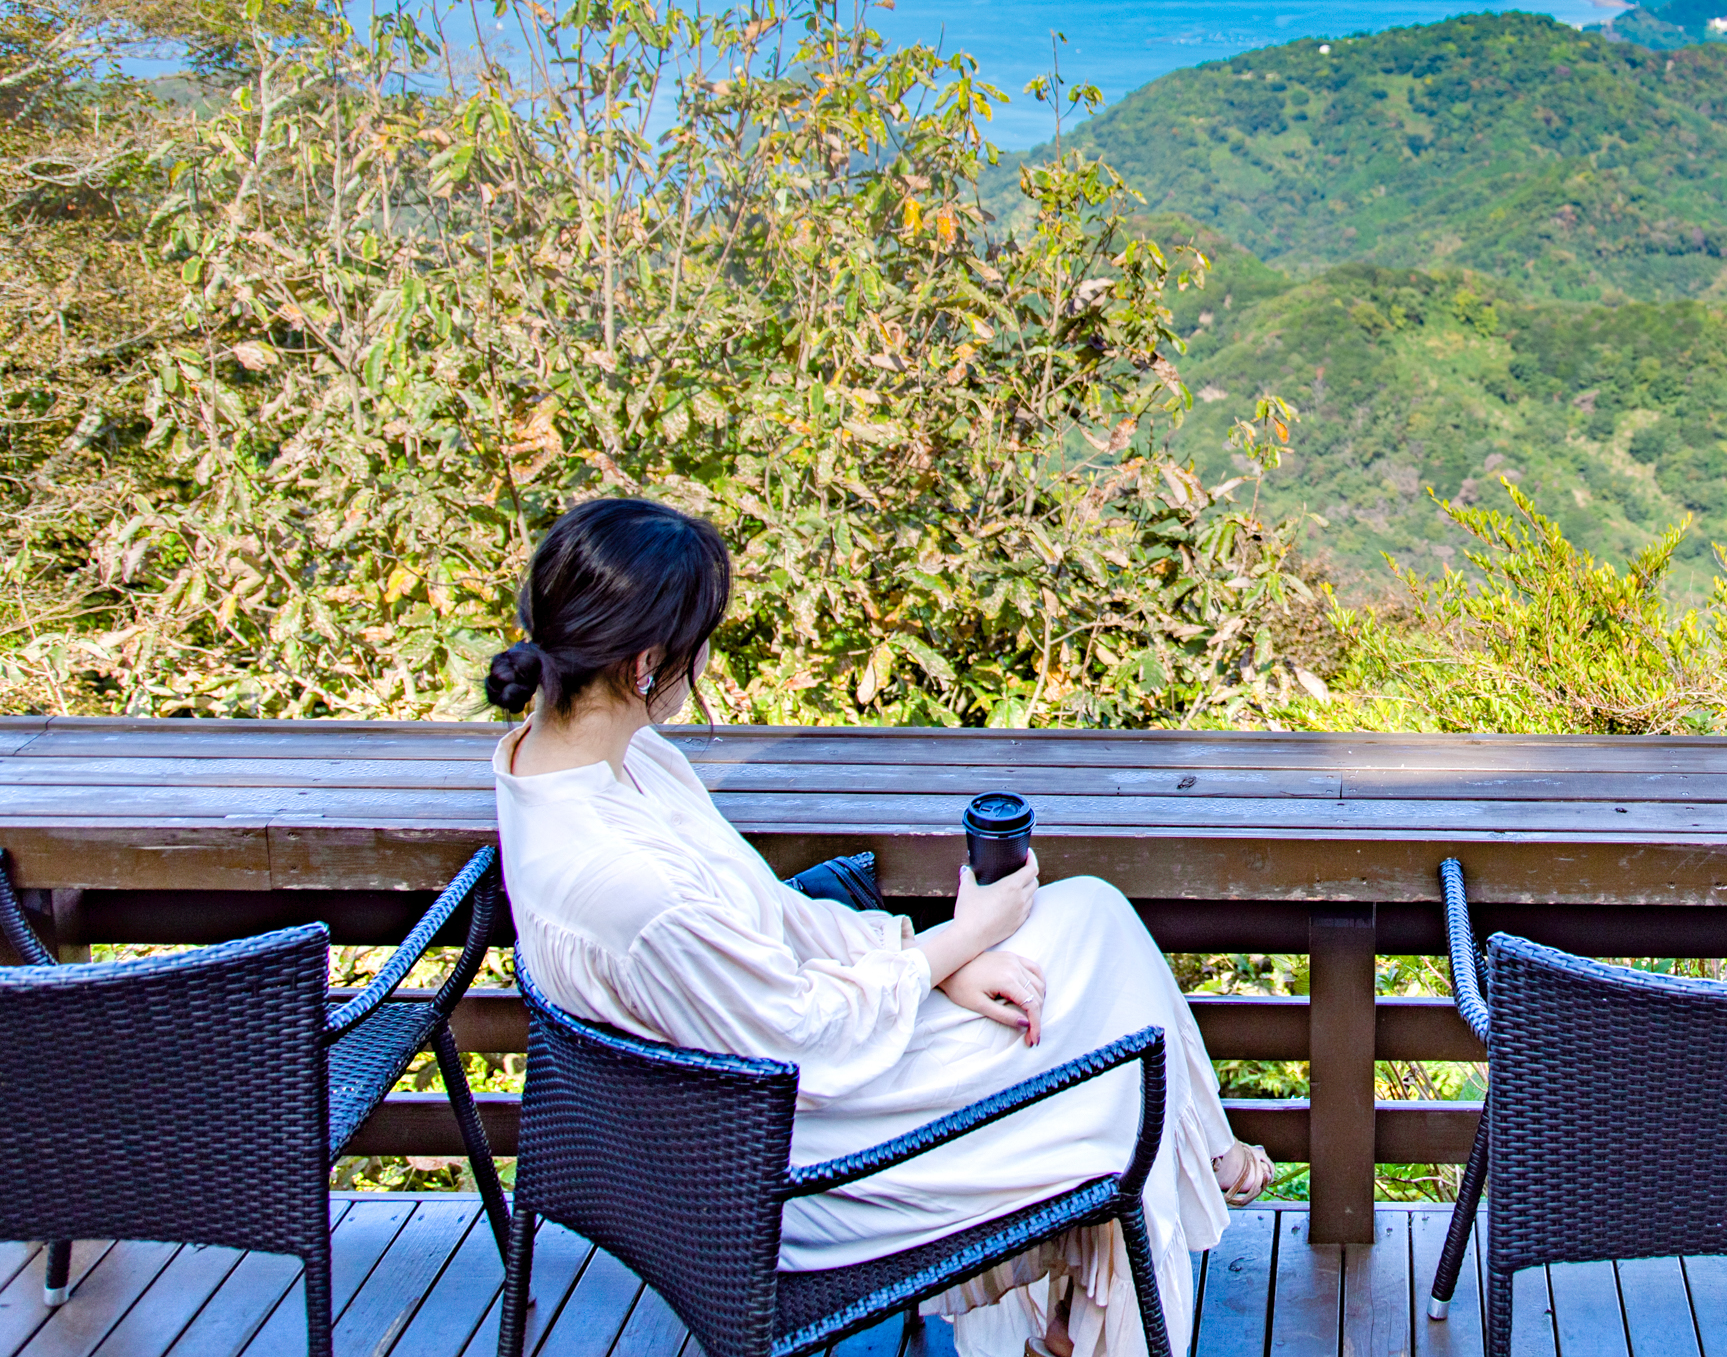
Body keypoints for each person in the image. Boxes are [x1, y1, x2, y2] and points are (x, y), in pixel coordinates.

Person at [486, 497, 1269, 1357]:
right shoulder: (626, 880)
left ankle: (1125, 1255)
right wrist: (960, 940)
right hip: (795, 1172)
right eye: (701, 643)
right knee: (1114, 1069)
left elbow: (772, 920)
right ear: (645, 664)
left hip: (735, 1111)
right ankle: (1154, 1228)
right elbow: (800, 1034)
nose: (703, 663)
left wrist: (937, 961)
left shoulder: (579, 762)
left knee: (1088, 916)